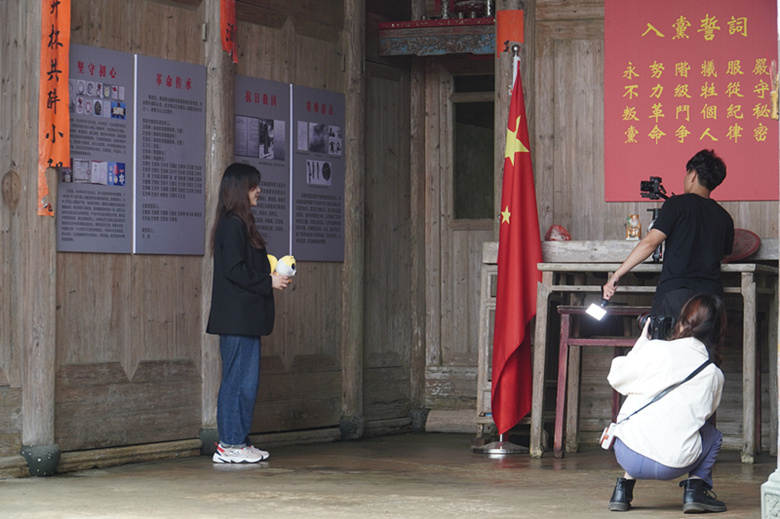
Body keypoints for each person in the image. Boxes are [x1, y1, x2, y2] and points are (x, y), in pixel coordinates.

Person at [606, 294, 727, 513]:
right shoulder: (713, 374)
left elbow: (617, 377)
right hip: (673, 465)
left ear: (681, 321)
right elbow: (704, 415)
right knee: (712, 436)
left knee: (641, 418)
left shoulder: (655, 349)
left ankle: (622, 491)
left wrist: (642, 344)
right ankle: (694, 492)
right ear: (717, 331)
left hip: (626, 455)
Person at [206, 163, 291, 464]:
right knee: (237, 382)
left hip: (245, 319)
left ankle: (239, 441)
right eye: (254, 186)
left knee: (246, 383)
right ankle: (230, 444)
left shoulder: (240, 223)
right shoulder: (232, 224)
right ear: (241, 189)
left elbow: (241, 267)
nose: (259, 190)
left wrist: (271, 271)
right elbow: (234, 270)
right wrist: (268, 281)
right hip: (237, 320)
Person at [603, 149, 734, 326]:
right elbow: (723, 255)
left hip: (675, 295)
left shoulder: (676, 204)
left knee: (668, 342)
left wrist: (617, 275)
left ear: (693, 175)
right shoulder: (724, 217)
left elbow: (650, 242)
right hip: (710, 299)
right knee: (703, 344)